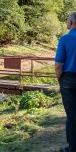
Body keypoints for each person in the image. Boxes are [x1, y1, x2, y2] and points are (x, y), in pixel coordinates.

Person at [55, 12, 76, 152]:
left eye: (67, 20)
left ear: (72, 22)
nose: (66, 23)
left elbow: (58, 65)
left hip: (69, 80)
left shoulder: (65, 39)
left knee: (72, 116)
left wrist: (59, 80)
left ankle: (72, 148)